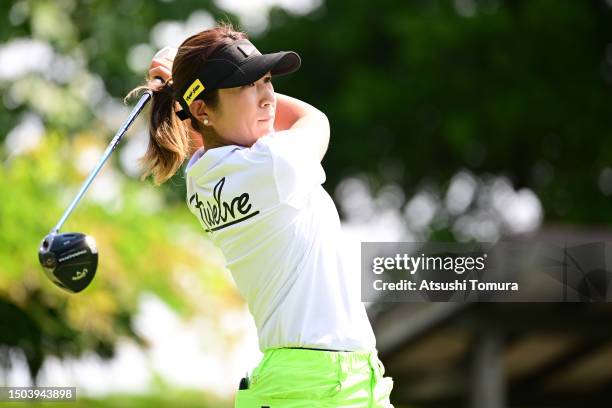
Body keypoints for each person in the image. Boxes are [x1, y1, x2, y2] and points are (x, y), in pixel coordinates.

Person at [130, 22, 394, 407]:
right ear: (202, 109)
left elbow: (207, 129)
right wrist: (182, 88)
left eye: (267, 80)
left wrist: (184, 90)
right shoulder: (270, 165)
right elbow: (315, 120)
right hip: (320, 386)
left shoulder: (201, 177)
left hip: (334, 381)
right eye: (248, 85)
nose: (268, 97)